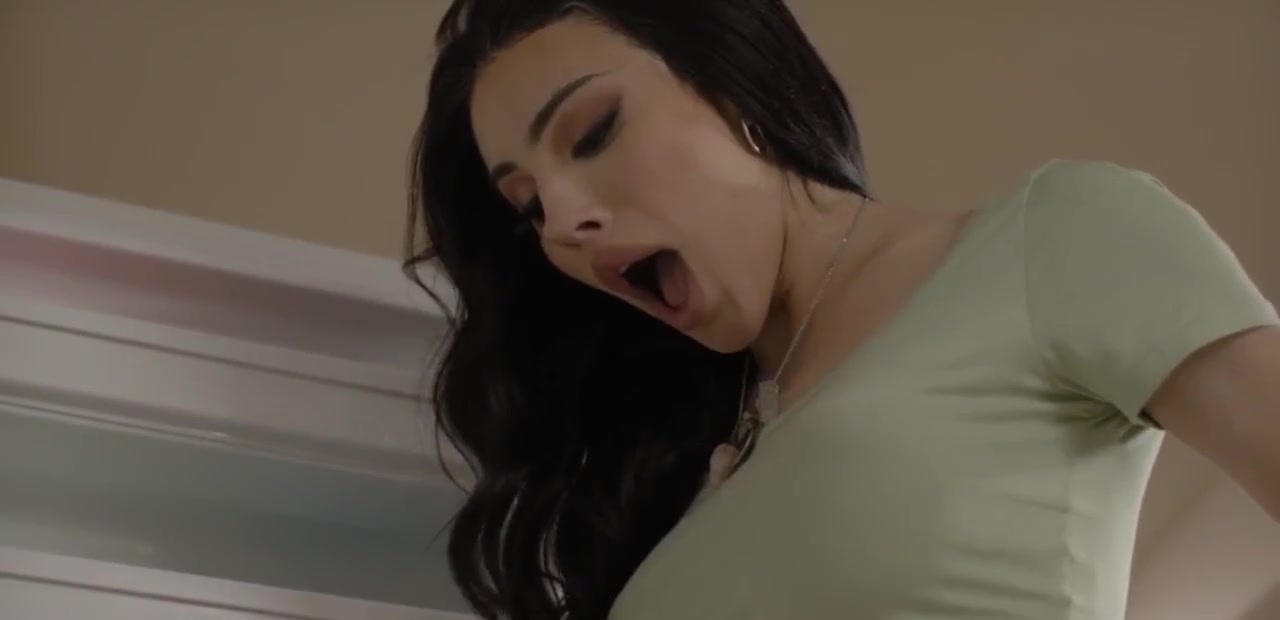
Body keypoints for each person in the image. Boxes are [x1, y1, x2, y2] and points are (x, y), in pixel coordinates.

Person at [404, 1, 1280, 618]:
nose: (562, 221)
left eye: (593, 132)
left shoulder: (1052, 238)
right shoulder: (678, 460)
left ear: (735, 86)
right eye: (528, 207)